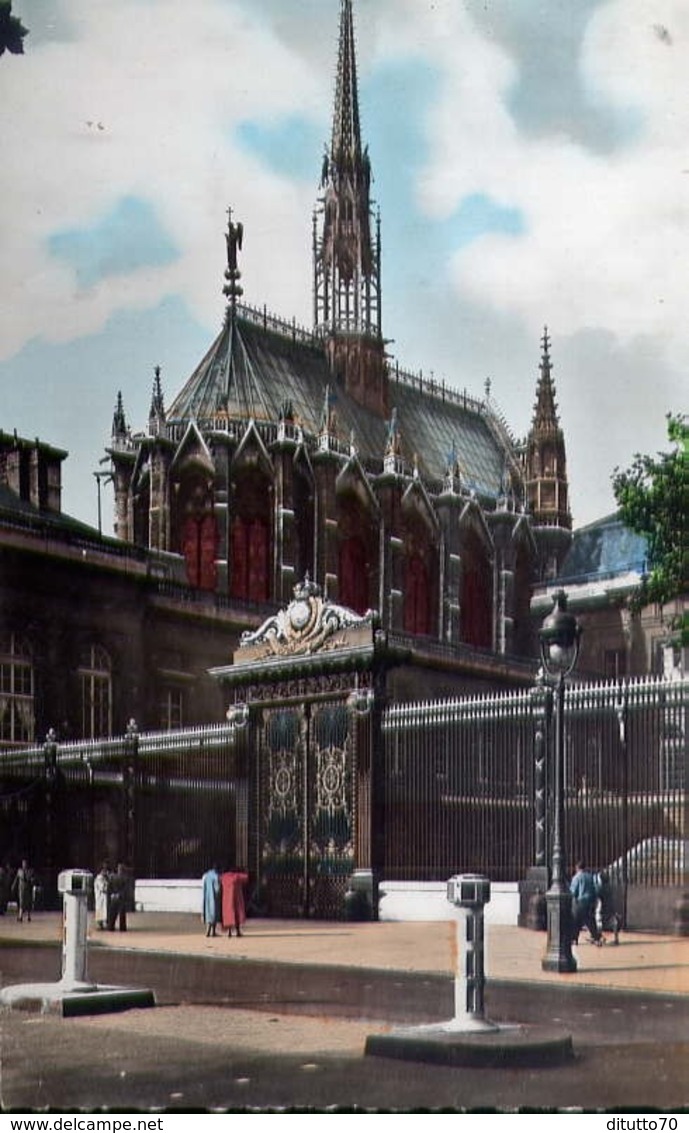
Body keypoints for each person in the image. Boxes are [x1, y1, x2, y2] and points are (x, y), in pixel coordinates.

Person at [570, 860, 602, 946]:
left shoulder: (576, 877)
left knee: (576, 921)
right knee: (590, 920)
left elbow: (573, 892)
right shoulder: (590, 876)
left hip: (579, 902)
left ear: (577, 868)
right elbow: (595, 889)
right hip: (589, 902)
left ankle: (574, 939)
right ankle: (596, 937)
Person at [595, 868, 622, 945]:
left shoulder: (600, 888)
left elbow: (597, 897)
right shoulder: (610, 887)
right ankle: (616, 939)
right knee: (614, 922)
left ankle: (599, 939)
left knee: (599, 923)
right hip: (610, 907)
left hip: (603, 907)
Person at [221, 868, 248, 938]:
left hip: (226, 900)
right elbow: (246, 877)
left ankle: (229, 932)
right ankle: (238, 932)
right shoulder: (236, 876)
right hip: (236, 898)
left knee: (228, 916)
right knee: (237, 915)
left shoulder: (224, 877)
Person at [106, 863, 128, 932]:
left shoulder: (112, 877)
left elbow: (109, 888)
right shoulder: (124, 878)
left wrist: (111, 894)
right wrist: (119, 894)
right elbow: (125, 889)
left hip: (114, 897)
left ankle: (111, 927)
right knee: (119, 914)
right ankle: (121, 927)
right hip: (120, 898)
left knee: (113, 913)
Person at [12, 859, 35, 923]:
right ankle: (20, 916)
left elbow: (32, 879)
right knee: (21, 903)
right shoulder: (19, 871)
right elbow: (16, 879)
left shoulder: (30, 871)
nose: (24, 864)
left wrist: (32, 882)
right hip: (21, 889)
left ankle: (28, 916)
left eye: (25, 863)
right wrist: (13, 886)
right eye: (23, 863)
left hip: (28, 889)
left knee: (28, 903)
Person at [202, 864, 221, 938]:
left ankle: (208, 931)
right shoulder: (216, 876)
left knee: (208, 913)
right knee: (214, 914)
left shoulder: (206, 875)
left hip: (207, 897)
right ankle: (212, 932)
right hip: (214, 898)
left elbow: (203, 887)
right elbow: (217, 889)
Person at [93, 862, 111, 930]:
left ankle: (103, 924)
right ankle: (100, 925)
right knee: (100, 910)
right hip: (100, 898)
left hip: (103, 898)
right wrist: (107, 883)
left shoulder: (104, 878)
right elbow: (103, 888)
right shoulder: (99, 878)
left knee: (103, 910)